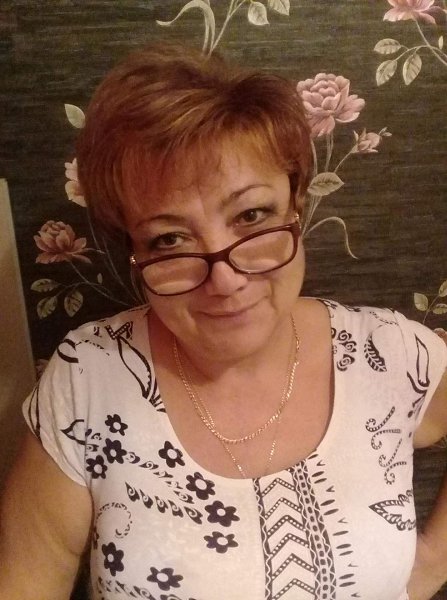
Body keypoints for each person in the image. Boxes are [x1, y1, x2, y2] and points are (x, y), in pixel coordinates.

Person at [0, 43, 446, 600]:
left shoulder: (391, 353)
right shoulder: (88, 378)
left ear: (295, 206)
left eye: (251, 215)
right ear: (134, 253)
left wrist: (433, 560)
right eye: (170, 239)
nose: (225, 279)